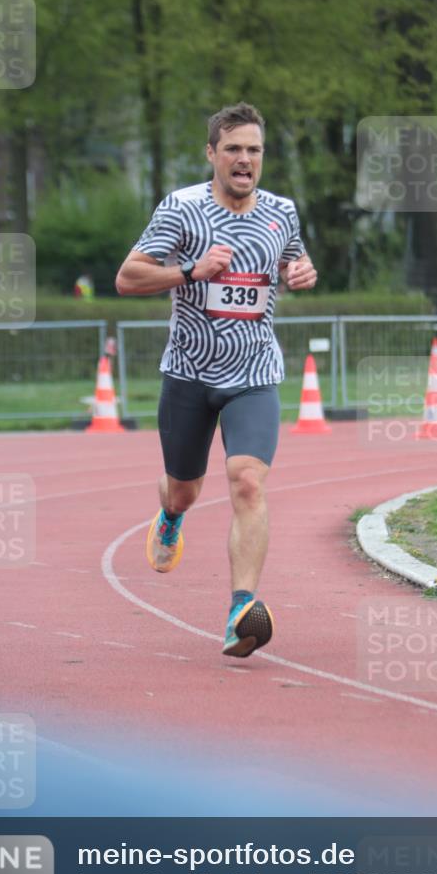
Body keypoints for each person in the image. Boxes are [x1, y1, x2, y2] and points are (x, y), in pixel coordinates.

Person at [115, 103, 317, 658]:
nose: (244, 159)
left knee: (247, 481)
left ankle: (240, 611)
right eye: (233, 149)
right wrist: (189, 271)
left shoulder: (282, 212)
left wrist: (302, 272)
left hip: (253, 372)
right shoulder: (181, 210)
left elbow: (294, 264)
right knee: (184, 487)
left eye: (253, 149)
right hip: (188, 374)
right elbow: (127, 278)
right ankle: (171, 516)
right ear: (212, 154)